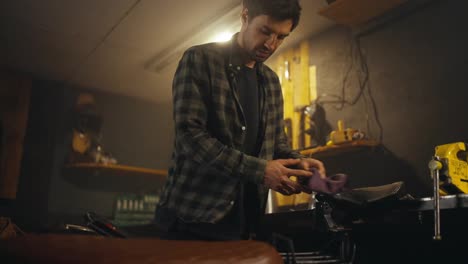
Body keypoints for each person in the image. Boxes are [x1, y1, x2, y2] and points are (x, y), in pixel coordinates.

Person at [155, 0, 326, 241]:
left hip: (247, 221)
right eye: (265, 31)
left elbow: (276, 145)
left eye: (281, 37)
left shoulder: (271, 82)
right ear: (245, 16)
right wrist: (260, 170)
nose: (271, 44)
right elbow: (190, 137)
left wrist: (300, 165)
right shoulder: (199, 59)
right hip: (191, 218)